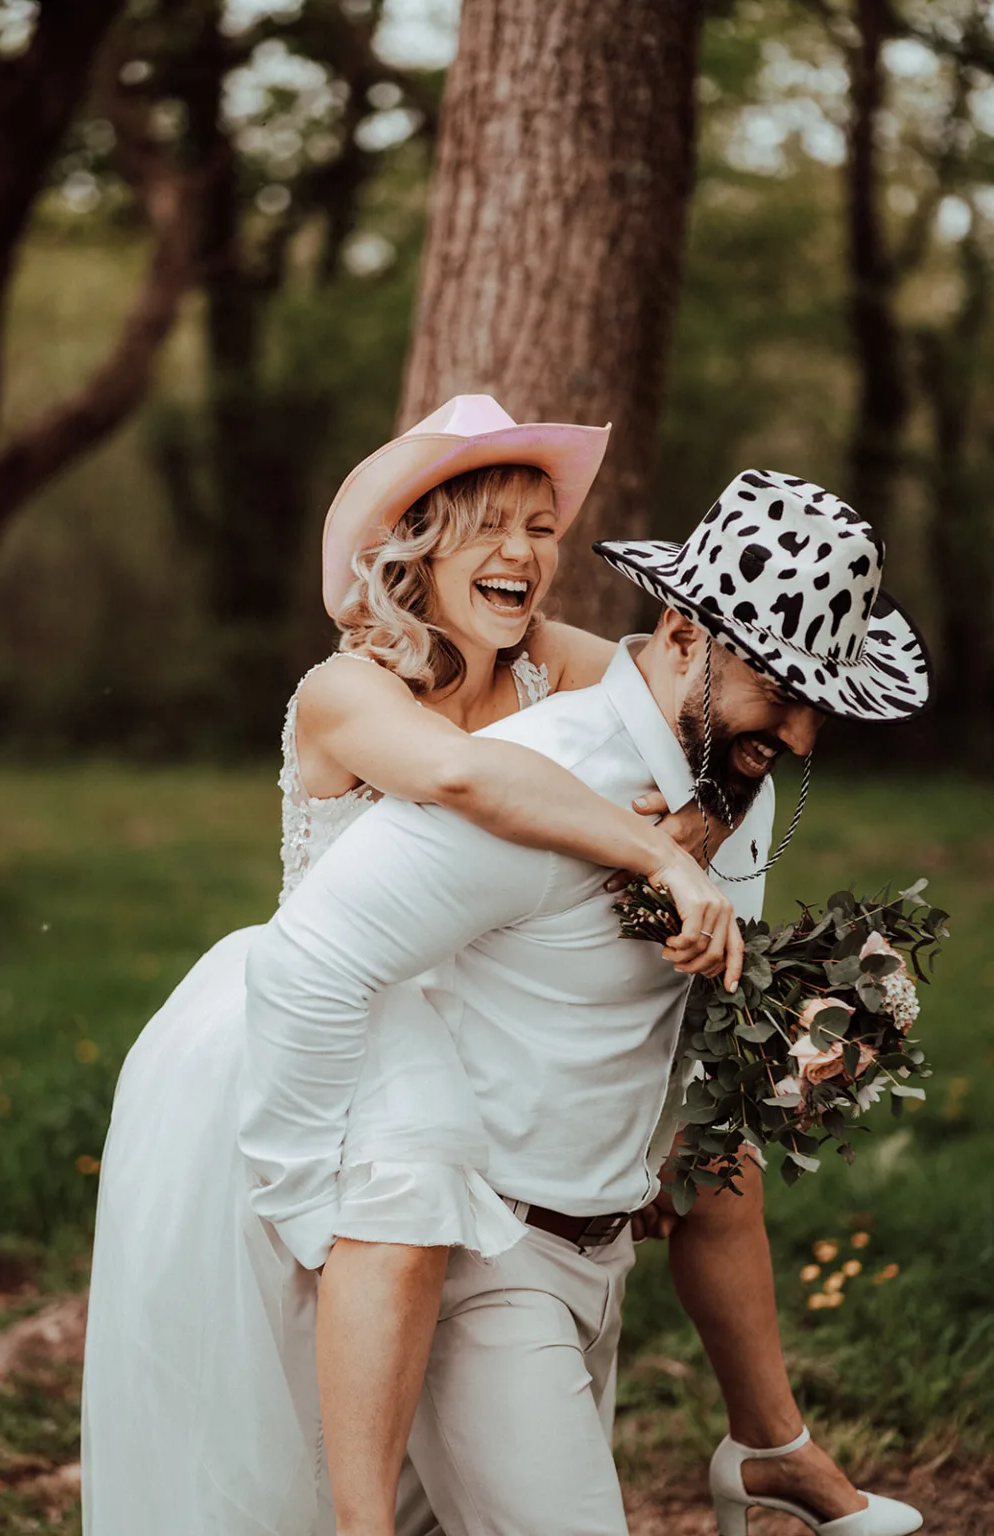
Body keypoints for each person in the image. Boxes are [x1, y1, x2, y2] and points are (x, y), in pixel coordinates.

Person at [82, 395, 740, 1536]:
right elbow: (461, 782)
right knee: (313, 1327)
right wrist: (649, 848)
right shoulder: (347, 692)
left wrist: (711, 819)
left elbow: (678, 697)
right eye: (489, 525)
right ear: (417, 542)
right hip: (328, 1015)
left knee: (469, 1330)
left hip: (479, 1022)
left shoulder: (552, 669)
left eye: (540, 529)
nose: (523, 554)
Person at [240, 464, 931, 1536]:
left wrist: (789, 1047)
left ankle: (769, 1444)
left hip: (595, 1257)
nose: (799, 738)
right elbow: (302, 966)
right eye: (782, 693)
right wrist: (312, 1221)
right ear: (684, 631)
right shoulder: (534, 780)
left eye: (818, 706)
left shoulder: (715, 782)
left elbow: (643, 1001)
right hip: (482, 1260)